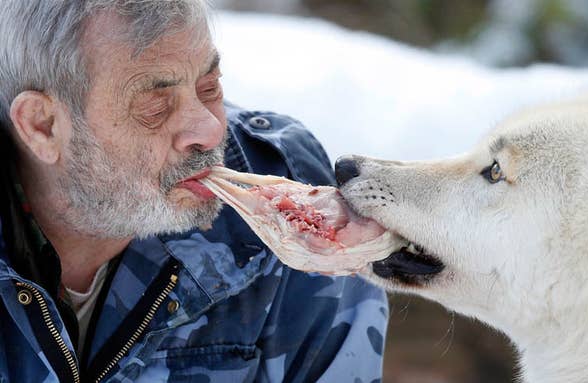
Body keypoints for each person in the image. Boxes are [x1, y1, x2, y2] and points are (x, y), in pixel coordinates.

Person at [0, 1, 388, 382]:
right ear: (43, 126)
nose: (210, 130)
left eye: (209, 88)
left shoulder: (283, 197)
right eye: (155, 107)